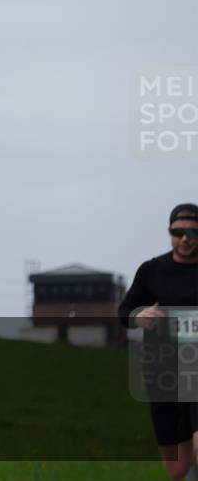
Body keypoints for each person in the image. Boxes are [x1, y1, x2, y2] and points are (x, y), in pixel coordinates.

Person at [119, 203, 198, 481]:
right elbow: (124, 311)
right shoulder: (152, 270)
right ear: (169, 232)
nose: (185, 238)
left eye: (193, 232)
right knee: (177, 470)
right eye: (178, 232)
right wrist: (139, 315)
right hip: (163, 370)